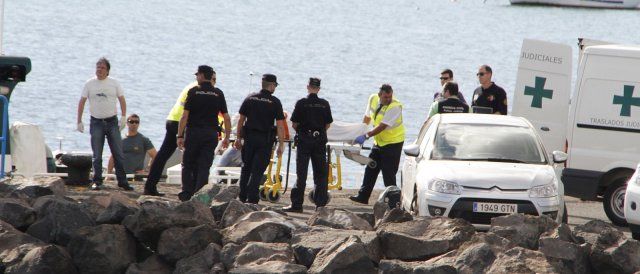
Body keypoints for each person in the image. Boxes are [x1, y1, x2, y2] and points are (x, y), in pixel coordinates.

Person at [143, 74, 217, 196]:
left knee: (163, 155)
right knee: (190, 158)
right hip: (181, 123)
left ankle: (150, 186)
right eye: (213, 79)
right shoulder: (198, 90)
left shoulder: (192, 87)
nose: (214, 82)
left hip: (172, 118)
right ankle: (190, 190)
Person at [76, 57, 133, 191]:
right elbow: (82, 101)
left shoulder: (114, 83)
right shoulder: (89, 84)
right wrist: (79, 120)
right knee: (97, 154)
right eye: (98, 67)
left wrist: (123, 117)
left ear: (107, 71)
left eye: (102, 68)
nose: (99, 70)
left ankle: (122, 181)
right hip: (96, 122)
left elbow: (122, 100)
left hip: (112, 121)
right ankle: (97, 181)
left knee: (118, 152)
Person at [176, 65, 231, 201]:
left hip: (194, 132)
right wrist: (227, 137)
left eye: (197, 75)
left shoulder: (194, 91)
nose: (196, 78)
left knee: (188, 164)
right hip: (210, 134)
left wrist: (180, 135)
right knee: (204, 165)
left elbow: (184, 116)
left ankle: (186, 193)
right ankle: (199, 194)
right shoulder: (218, 93)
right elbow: (226, 117)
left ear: (201, 75)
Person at [282, 77, 333, 213]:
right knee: (321, 174)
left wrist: (303, 132)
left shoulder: (301, 103)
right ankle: (320, 205)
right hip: (319, 140)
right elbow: (327, 124)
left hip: (305, 140)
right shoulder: (325, 104)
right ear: (319, 89)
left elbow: (294, 124)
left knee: (301, 173)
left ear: (308, 87)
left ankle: (297, 205)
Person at [234, 74, 286, 204]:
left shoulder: (250, 98)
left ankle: (242, 197)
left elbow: (241, 120)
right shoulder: (275, 102)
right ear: (272, 85)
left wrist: (238, 138)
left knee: (246, 168)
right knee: (257, 170)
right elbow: (280, 126)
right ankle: (252, 199)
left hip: (249, 138)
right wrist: (281, 144)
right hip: (265, 140)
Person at [350, 84, 405, 204]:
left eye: (390, 96)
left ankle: (394, 202)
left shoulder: (395, 106)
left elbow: (382, 126)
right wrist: (360, 130)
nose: (388, 99)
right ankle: (363, 196)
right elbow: (367, 117)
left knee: (388, 173)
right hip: (379, 142)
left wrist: (365, 136)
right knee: (371, 167)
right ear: (380, 95)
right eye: (385, 97)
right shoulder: (373, 99)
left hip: (393, 143)